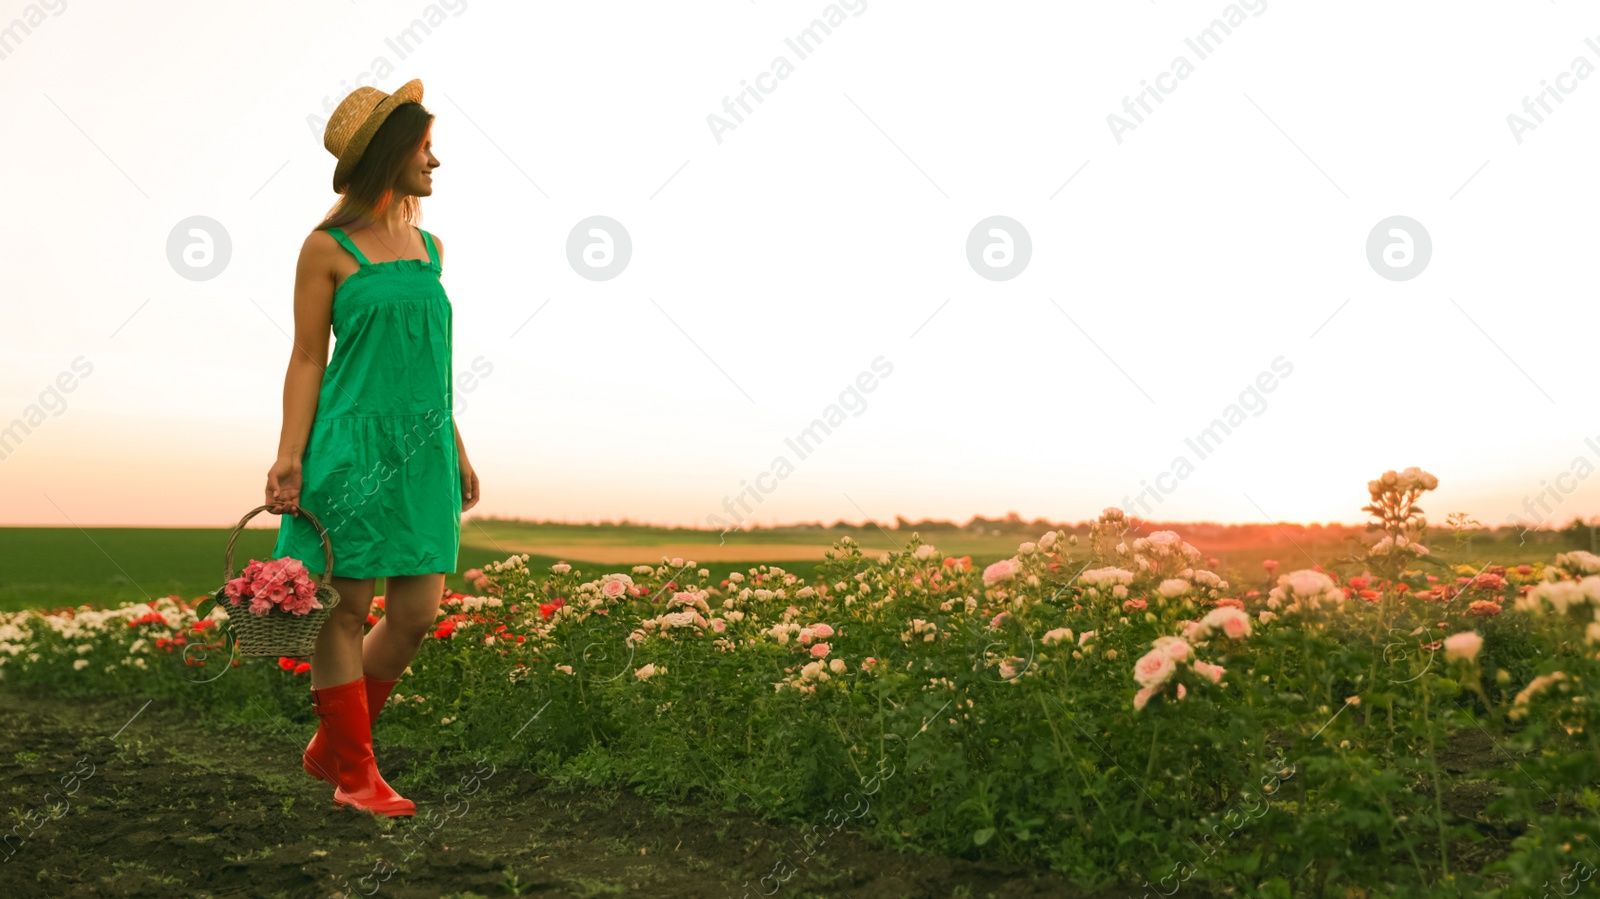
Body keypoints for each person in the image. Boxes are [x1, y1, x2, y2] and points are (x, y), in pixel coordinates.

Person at [264, 78, 480, 817]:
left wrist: (454, 443)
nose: (436, 162)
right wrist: (290, 453)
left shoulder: (431, 249)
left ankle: (333, 745)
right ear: (392, 153)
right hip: (349, 447)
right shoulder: (325, 248)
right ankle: (356, 772)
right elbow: (306, 358)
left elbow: (427, 363)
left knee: (417, 611)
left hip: (422, 451)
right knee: (345, 609)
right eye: (425, 148)